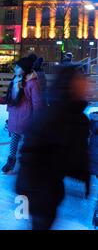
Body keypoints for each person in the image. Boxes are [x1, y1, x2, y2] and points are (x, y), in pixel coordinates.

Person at [16, 64, 91, 230]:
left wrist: (84, 173)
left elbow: (70, 155)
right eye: (81, 81)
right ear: (70, 84)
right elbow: (31, 154)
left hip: (47, 190)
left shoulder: (73, 115)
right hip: (38, 191)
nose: (86, 85)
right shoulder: (55, 115)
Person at [0, 57, 44, 173]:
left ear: (24, 69)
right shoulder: (15, 80)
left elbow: (37, 103)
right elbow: (8, 99)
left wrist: (37, 121)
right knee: (14, 139)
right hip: (14, 116)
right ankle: (11, 161)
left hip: (26, 118)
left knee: (27, 143)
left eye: (18, 67)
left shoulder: (32, 83)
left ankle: (30, 164)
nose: (15, 69)